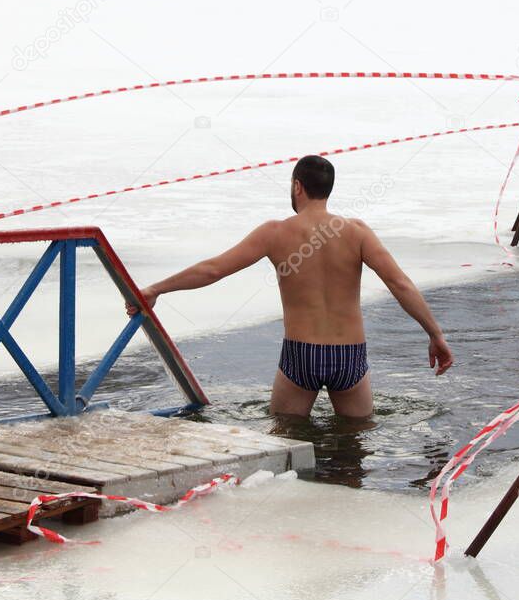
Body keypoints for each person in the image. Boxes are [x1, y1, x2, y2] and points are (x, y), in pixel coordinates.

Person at [126, 155, 454, 418]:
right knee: (353, 447)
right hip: (349, 355)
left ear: (298, 186)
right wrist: (435, 334)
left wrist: (156, 289)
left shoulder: (275, 233)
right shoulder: (357, 232)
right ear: (328, 189)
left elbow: (213, 270)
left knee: (287, 442)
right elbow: (400, 284)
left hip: (302, 353)